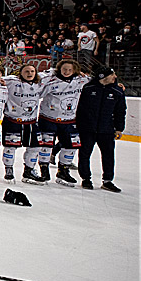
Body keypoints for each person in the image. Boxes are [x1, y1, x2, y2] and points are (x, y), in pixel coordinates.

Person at [37, 59, 90, 187]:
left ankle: (63, 171)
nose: (67, 72)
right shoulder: (51, 80)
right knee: (46, 145)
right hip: (48, 118)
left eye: (70, 70)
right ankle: (44, 169)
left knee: (71, 146)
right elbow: (37, 92)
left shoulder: (82, 80)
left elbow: (99, 83)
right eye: (64, 69)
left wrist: (117, 85)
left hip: (69, 120)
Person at [76, 66, 125, 192]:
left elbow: (120, 111)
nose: (114, 77)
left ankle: (108, 181)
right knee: (85, 154)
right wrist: (78, 125)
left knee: (108, 155)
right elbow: (80, 108)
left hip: (106, 130)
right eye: (112, 74)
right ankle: (86, 178)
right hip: (87, 128)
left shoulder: (118, 91)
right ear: (104, 76)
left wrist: (119, 128)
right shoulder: (88, 89)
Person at [0, 63, 47, 184]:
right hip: (12, 120)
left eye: (32, 71)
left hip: (31, 122)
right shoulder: (12, 81)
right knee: (10, 147)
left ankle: (29, 170)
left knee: (35, 147)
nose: (29, 73)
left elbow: (55, 74)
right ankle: (9, 169)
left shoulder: (40, 82)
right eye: (26, 71)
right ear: (20, 73)